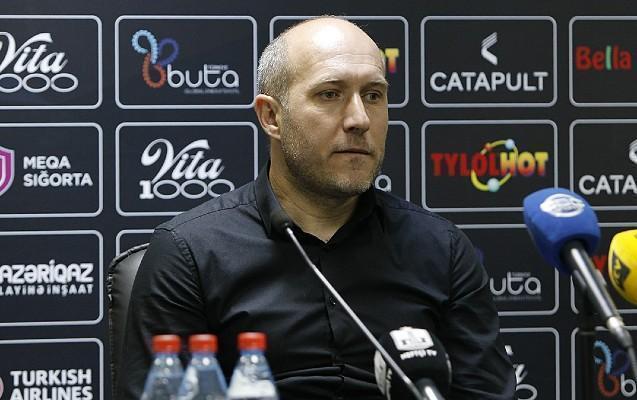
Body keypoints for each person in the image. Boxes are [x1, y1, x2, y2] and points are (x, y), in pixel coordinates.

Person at [118, 17, 515, 399]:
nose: (359, 119)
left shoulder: (442, 249)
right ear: (271, 116)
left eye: (373, 96)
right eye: (330, 94)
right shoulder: (189, 252)